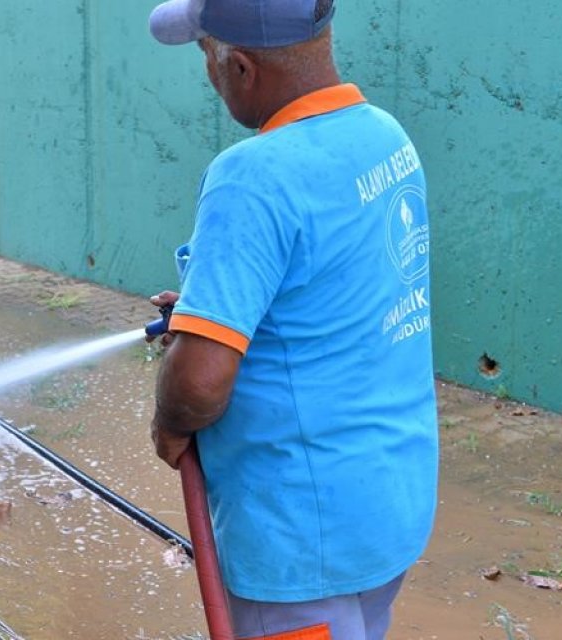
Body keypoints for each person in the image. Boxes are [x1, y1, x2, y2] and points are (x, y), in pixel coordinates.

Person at [145, 1, 439, 639]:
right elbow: (331, 292)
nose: (208, 73)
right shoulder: (386, 138)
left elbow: (198, 383)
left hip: (299, 538)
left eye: (206, 56)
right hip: (387, 506)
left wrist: (171, 421)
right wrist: (207, 314)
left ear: (241, 66)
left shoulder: (251, 178)